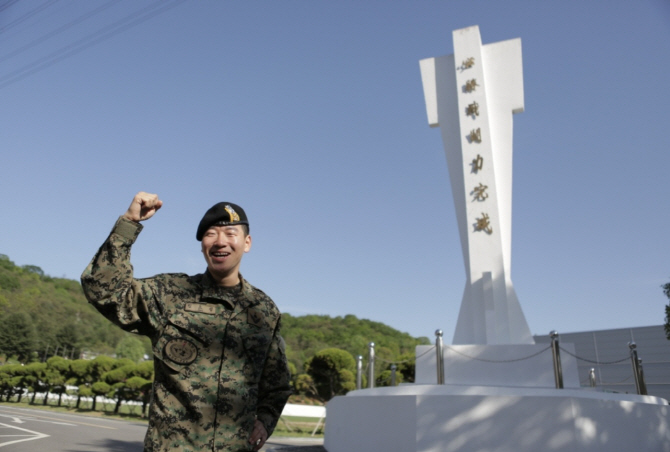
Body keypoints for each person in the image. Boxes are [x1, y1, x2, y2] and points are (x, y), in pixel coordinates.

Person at [81, 192, 291, 452]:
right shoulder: (171, 292)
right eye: (211, 234)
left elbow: (277, 383)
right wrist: (129, 223)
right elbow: (104, 291)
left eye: (230, 233)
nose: (219, 242)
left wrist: (266, 419)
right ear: (202, 243)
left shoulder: (264, 311)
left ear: (246, 243)